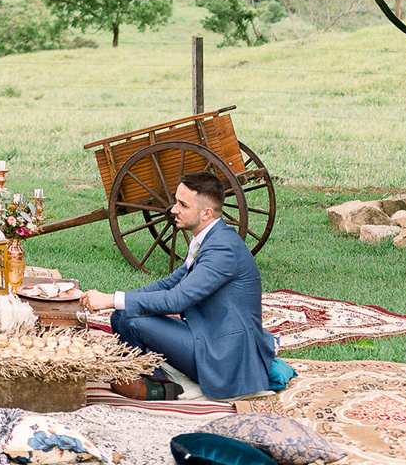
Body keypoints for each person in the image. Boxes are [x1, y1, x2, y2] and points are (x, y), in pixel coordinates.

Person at [82, 169, 279, 401]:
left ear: (206, 213)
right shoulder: (208, 237)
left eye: (183, 205)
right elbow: (171, 282)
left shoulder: (222, 249)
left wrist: (110, 299)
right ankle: (148, 378)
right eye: (176, 202)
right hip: (207, 334)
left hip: (225, 356)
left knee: (130, 319)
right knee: (122, 314)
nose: (174, 209)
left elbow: (177, 299)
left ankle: (167, 388)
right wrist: (118, 299)